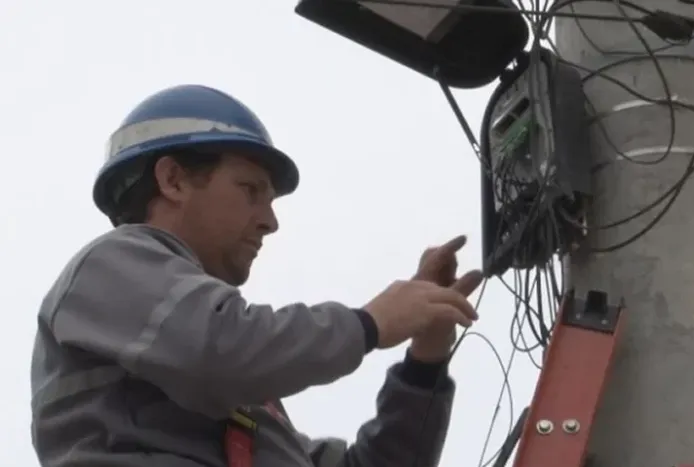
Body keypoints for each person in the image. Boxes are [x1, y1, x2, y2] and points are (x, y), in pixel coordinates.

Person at [30, 84, 483, 467]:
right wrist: (370, 323)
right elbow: (221, 347)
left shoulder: (246, 412)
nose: (270, 220)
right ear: (173, 181)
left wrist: (426, 358)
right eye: (251, 190)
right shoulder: (111, 266)